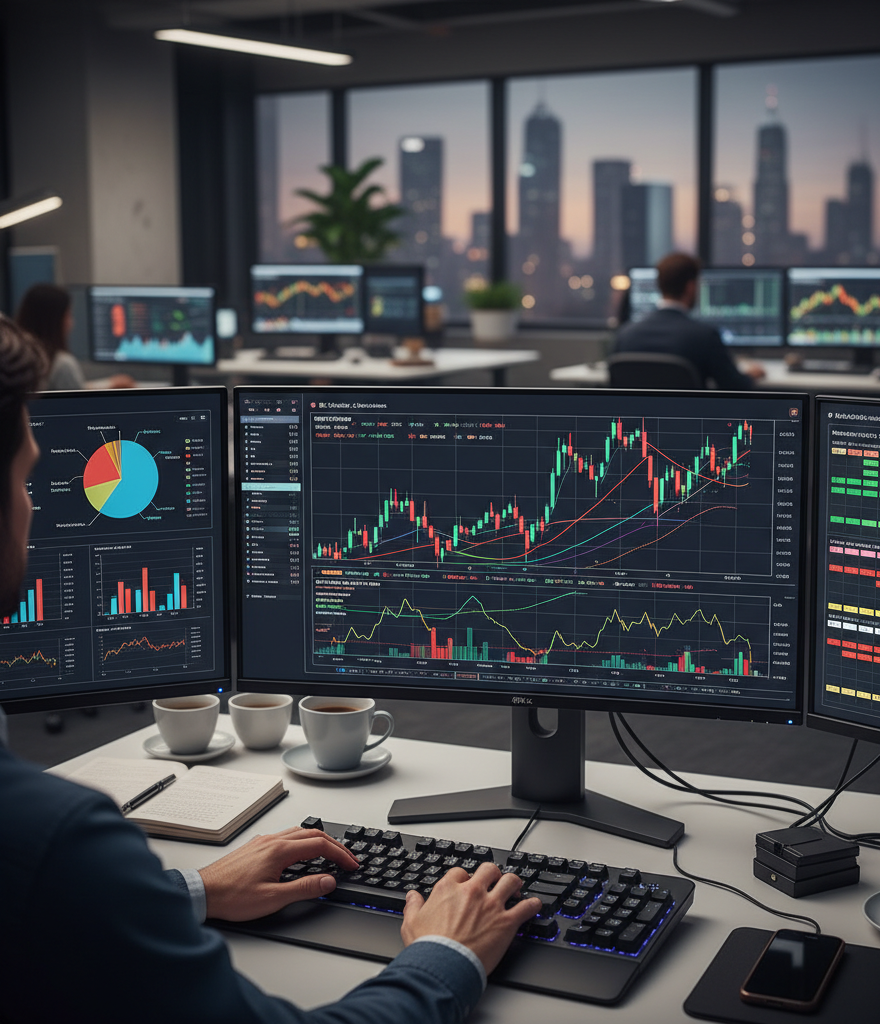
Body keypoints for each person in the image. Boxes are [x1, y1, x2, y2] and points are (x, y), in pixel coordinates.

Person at [0, 316, 541, 1024]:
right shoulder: (52, 838)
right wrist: (448, 953)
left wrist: (188, 891)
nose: (31, 510)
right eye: (24, 480)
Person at [614, 252, 765, 389]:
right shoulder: (705, 336)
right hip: (687, 418)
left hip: (640, 418)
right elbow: (735, 386)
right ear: (690, 287)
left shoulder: (625, 335)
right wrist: (752, 375)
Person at [15, 282, 135, 390]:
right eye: (68, 315)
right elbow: (79, 405)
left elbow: (73, 389)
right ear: (56, 321)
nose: (72, 322)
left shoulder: (15, 360)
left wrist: (108, 384)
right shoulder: (62, 364)